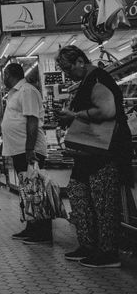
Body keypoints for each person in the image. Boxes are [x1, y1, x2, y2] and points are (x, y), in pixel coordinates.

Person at [55, 45, 133, 268]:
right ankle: (89, 244)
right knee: (79, 192)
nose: (66, 73)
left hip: (105, 150)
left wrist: (75, 114)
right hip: (89, 151)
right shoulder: (85, 82)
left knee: (103, 199)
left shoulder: (98, 79)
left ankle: (108, 252)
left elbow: (107, 111)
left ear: (80, 61)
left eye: (68, 67)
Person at [1, 63, 51, 245]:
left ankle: (43, 232)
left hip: (29, 150)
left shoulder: (27, 91)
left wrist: (30, 149)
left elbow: (32, 120)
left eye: (4, 75)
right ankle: (32, 227)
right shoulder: (15, 93)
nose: (3, 79)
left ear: (9, 74)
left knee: (37, 191)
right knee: (27, 191)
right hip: (19, 150)